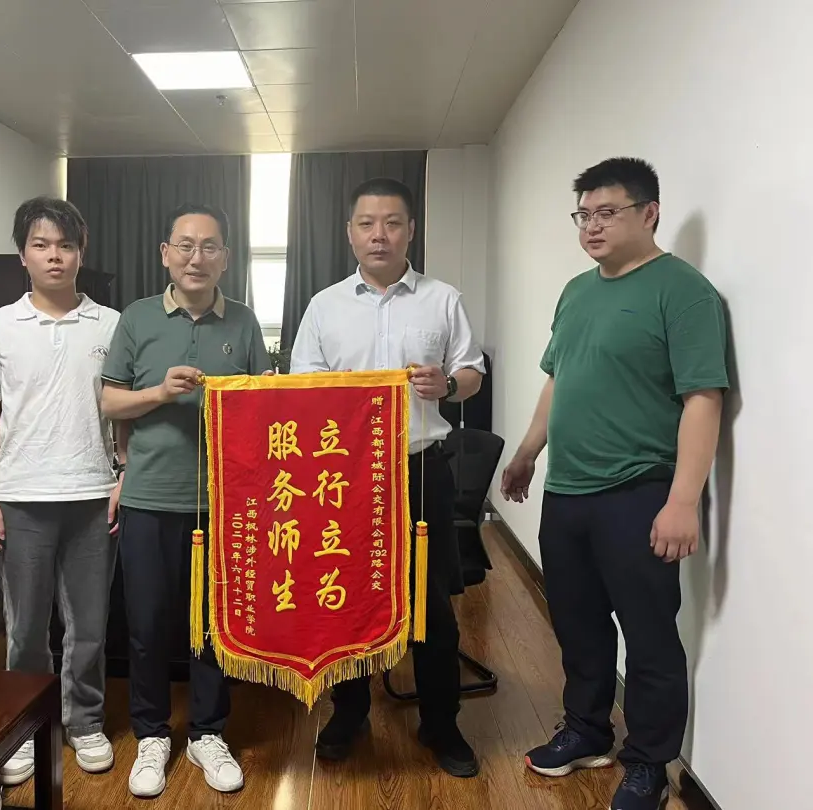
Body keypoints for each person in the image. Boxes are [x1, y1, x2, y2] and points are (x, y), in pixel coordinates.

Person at [500, 157, 728, 810]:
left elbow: (703, 398)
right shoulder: (577, 291)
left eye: (608, 213)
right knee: (577, 624)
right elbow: (559, 377)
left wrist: (683, 500)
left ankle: (650, 763)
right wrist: (527, 453)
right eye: (584, 214)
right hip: (567, 491)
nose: (592, 226)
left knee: (649, 635)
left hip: (639, 492)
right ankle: (587, 730)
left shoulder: (682, 291)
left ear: (649, 213)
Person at [290, 177, 486, 778]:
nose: (380, 234)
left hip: (420, 470)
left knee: (431, 605)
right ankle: (350, 713)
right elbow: (302, 386)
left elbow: (472, 372)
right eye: (368, 223)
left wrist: (447, 385)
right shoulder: (324, 305)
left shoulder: (442, 299)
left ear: (410, 230)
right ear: (350, 233)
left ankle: (440, 722)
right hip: (343, 478)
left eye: (393, 222)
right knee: (345, 598)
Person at [100, 202, 271, 799]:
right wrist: (159, 392)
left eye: (209, 246)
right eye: (185, 245)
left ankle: (207, 732)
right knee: (147, 624)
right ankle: (151, 734)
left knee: (214, 625)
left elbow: (263, 404)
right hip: (149, 497)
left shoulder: (244, 322)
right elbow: (110, 401)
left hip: (223, 501)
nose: (197, 257)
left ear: (226, 258)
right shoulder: (137, 317)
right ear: (165, 254)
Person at [0, 197, 123, 786]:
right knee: (26, 630)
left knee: (90, 627)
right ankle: (24, 725)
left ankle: (85, 721)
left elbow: (124, 412)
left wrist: (123, 476)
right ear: (22, 255)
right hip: (20, 497)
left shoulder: (111, 325)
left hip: (92, 496)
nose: (54, 256)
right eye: (41, 245)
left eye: (65, 245)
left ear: (81, 253)